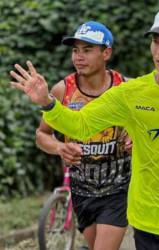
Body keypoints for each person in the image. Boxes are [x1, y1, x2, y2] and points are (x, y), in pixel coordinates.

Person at [10, 5, 159, 250]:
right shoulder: (131, 94)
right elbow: (81, 125)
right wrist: (48, 103)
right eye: (156, 42)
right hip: (145, 217)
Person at [35, 21, 131, 250]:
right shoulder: (63, 90)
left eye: (87, 50)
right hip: (81, 191)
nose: (79, 56)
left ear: (106, 52)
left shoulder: (126, 88)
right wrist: (59, 148)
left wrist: (135, 137)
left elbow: (151, 124)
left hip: (118, 189)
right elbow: (42, 134)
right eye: (75, 50)